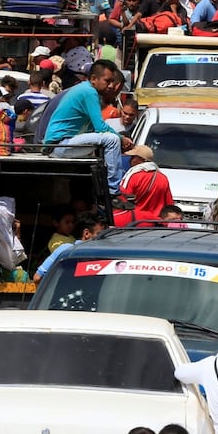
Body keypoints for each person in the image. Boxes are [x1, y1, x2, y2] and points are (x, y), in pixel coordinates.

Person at [42, 59, 131, 199]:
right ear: (94, 79)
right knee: (112, 139)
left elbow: (94, 130)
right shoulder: (89, 92)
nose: (111, 86)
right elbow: (101, 127)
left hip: (63, 144)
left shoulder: (85, 90)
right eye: (107, 81)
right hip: (60, 144)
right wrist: (121, 139)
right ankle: (114, 191)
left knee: (108, 140)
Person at [33, 212, 106, 283]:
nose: (103, 238)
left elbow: (37, 277)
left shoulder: (64, 249)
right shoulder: (101, 254)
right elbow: (37, 278)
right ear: (86, 233)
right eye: (99, 234)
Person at [114, 145, 173, 225]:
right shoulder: (163, 177)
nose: (130, 160)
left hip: (137, 222)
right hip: (157, 223)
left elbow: (123, 199)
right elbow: (169, 204)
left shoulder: (133, 176)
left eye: (133, 157)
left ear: (142, 159)